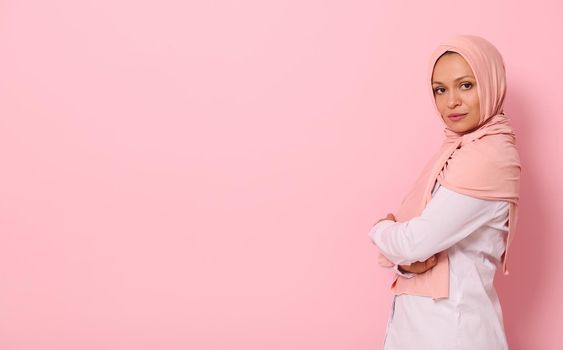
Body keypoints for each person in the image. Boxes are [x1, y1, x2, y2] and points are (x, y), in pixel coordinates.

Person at [367, 35, 521, 349]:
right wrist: (404, 261)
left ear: (490, 84)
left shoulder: (488, 159)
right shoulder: (456, 153)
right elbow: (416, 249)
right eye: (440, 89)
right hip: (422, 327)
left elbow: (415, 241)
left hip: (455, 330)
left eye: (466, 85)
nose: (451, 101)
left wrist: (379, 230)